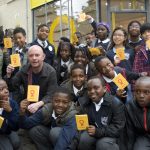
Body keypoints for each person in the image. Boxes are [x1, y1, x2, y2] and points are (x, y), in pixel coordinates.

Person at [5, 45, 57, 113]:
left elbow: (51, 94)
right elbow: (12, 87)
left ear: (43, 57)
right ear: (28, 58)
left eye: (37, 55)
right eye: (31, 55)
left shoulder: (51, 71)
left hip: (44, 106)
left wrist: (38, 104)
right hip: (28, 105)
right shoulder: (24, 69)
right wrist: (8, 75)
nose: (34, 58)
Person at [78, 76, 125, 150]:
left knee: (103, 144)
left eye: (96, 88)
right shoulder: (85, 103)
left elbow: (118, 128)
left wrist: (98, 131)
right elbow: (83, 124)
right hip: (95, 132)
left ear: (104, 89)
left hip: (111, 135)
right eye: (89, 89)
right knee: (84, 139)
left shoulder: (116, 104)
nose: (92, 91)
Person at [125, 77, 150, 150]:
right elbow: (130, 132)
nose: (141, 96)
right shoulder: (130, 106)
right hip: (143, 136)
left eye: (146, 92)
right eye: (138, 92)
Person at [0, 79, 20, 150]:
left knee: (16, 143)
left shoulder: (12, 103)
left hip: (7, 129)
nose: (6, 91)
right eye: (1, 89)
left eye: (7, 88)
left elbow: (16, 127)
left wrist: (10, 111)